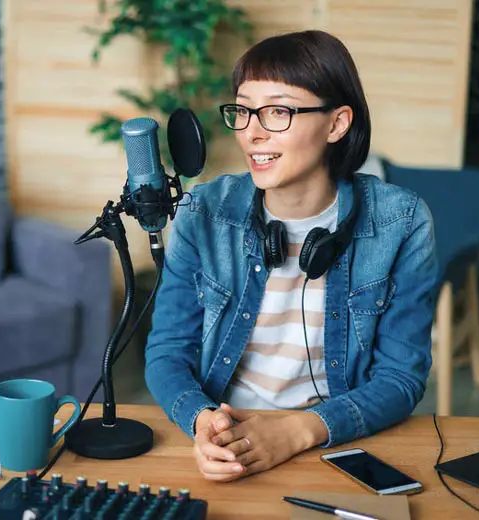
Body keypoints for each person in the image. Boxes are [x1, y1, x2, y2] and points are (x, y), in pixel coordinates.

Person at [143, 29, 438, 482]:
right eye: (243, 111)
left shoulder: (402, 222)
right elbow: (167, 352)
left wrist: (297, 432)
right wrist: (205, 422)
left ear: (337, 124)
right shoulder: (203, 213)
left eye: (277, 111)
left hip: (333, 441)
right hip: (224, 441)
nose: (252, 133)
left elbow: (401, 379)